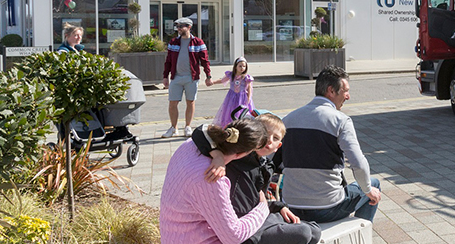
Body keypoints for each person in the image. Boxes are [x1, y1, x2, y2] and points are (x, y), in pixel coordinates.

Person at [193, 115, 322, 244]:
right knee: (303, 233)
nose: (269, 140)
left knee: (315, 231)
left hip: (259, 218)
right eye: (265, 134)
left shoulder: (266, 166)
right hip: (245, 229)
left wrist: (278, 207)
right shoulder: (237, 156)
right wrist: (218, 156)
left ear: (278, 146)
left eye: (275, 138)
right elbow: (201, 131)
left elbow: (255, 200)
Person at [277, 65, 381, 223]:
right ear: (331, 91)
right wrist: (367, 190)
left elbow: (271, 160)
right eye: (345, 91)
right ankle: (361, 233)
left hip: (290, 207)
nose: (348, 96)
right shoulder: (341, 121)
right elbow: (358, 164)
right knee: (374, 184)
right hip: (327, 207)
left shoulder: (287, 120)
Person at [160, 119, 270, 244]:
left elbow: (203, 129)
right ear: (241, 154)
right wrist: (263, 208)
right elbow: (234, 236)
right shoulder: (213, 178)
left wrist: (217, 155)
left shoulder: (190, 145)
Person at [162, 17, 213, 138]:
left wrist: (208, 76)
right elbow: (168, 61)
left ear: (189, 27)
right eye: (177, 26)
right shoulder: (173, 42)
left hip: (192, 77)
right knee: (172, 103)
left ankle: (187, 127)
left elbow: (205, 61)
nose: (178, 29)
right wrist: (165, 76)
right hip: (176, 77)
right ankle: (173, 128)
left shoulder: (199, 43)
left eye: (181, 26)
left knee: (190, 102)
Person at [215, 57, 256, 125]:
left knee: (241, 111)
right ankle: (229, 123)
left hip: (242, 97)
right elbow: (223, 80)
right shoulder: (231, 75)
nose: (242, 68)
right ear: (235, 66)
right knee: (229, 110)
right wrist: (213, 82)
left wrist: (248, 98)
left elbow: (249, 88)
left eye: (244, 66)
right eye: (240, 66)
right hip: (231, 96)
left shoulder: (246, 77)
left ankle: (240, 124)